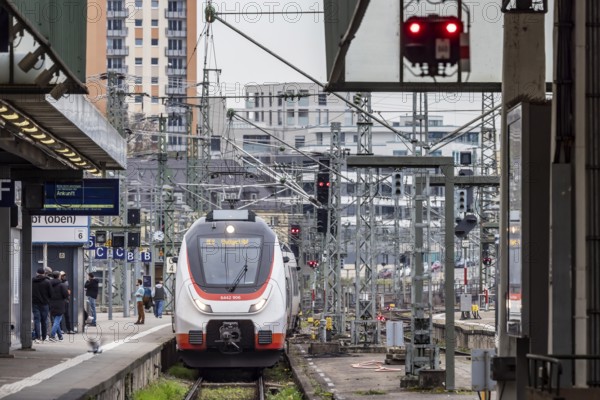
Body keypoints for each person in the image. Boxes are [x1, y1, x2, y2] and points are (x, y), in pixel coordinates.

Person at [32, 267, 52, 344]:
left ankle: (37, 337)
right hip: (44, 304)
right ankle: (44, 337)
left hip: (35, 303)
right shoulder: (47, 282)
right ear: (43, 273)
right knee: (44, 320)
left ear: (37, 273)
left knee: (37, 320)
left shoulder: (32, 281)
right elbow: (51, 293)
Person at [48, 271, 68, 342]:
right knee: (57, 321)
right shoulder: (62, 285)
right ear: (59, 276)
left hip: (51, 304)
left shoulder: (49, 284)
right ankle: (52, 335)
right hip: (60, 304)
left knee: (56, 321)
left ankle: (60, 336)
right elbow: (66, 295)